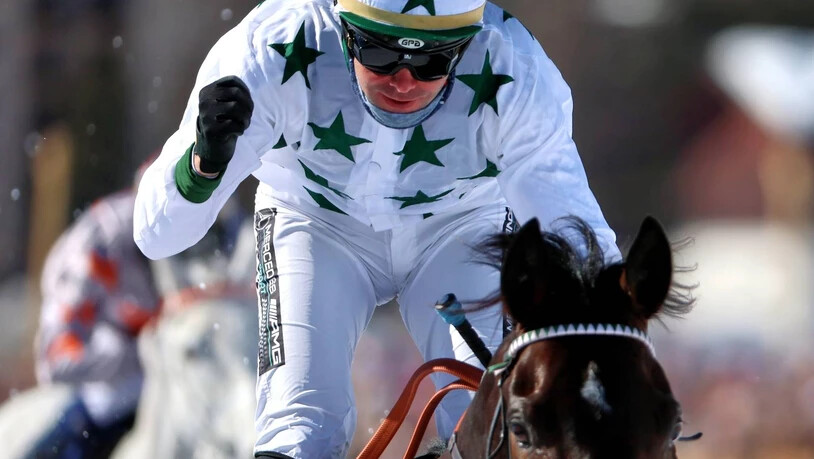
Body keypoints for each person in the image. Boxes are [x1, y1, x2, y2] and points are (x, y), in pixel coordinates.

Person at [133, 0, 621, 457]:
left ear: (467, 43)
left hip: (459, 227)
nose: (404, 81)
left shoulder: (515, 66)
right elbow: (157, 235)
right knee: (299, 425)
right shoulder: (271, 47)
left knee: (498, 422)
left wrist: (617, 357)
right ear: (343, 32)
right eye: (380, 53)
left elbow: (578, 236)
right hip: (314, 222)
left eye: (433, 61)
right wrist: (202, 166)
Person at [32, 188, 161, 458]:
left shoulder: (223, 224)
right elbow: (54, 361)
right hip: (118, 389)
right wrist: (133, 355)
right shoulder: (100, 244)